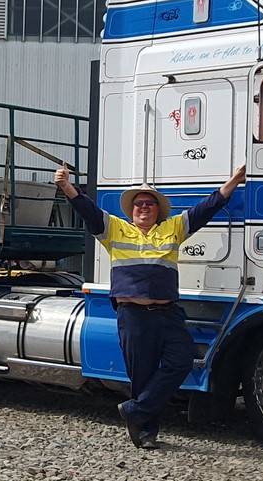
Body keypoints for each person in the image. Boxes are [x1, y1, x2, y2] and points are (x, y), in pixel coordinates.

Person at [54, 163, 246, 450]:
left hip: (167, 313)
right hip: (133, 315)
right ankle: (145, 431)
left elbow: (207, 208)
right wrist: (67, 187)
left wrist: (233, 181)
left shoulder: (173, 229)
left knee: (181, 361)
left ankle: (136, 410)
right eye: (139, 204)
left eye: (150, 204)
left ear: (158, 210)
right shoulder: (114, 229)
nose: (143, 207)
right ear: (131, 210)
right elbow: (87, 210)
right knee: (141, 374)